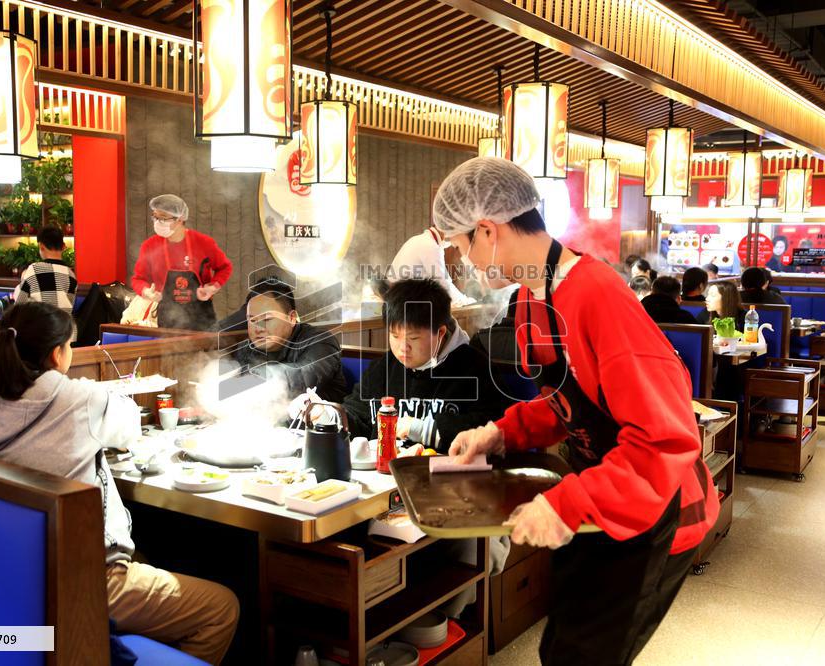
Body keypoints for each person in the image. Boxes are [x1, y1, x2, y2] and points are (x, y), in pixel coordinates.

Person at [431, 157, 717, 666]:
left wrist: (567, 503)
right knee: (560, 646)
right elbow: (564, 400)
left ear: (487, 231)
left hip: (650, 503)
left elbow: (665, 439)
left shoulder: (598, 294)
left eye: (459, 245)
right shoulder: (526, 298)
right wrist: (499, 432)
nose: (464, 261)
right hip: (596, 491)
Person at [0, 302, 239, 664]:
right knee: (221, 607)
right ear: (57, 354)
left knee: (152, 554)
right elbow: (128, 429)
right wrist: (87, 390)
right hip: (84, 576)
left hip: (27, 568)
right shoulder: (77, 399)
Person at [305, 278, 512, 452]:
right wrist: (330, 415)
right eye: (395, 336)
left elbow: (492, 429)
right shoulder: (382, 369)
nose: (403, 348)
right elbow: (359, 417)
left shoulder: (475, 369)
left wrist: (421, 429)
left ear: (440, 333)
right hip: (385, 478)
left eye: (413, 338)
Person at [232, 277, 347, 402]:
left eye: (267, 319)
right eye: (252, 320)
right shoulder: (246, 348)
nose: (258, 328)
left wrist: (252, 379)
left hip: (317, 419)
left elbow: (304, 375)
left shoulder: (321, 340)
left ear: (291, 318)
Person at [132, 194, 233, 331]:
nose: (157, 222)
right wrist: (146, 292)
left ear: (179, 219)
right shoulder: (150, 246)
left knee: (205, 353)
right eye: (155, 217)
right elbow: (138, 279)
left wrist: (212, 287)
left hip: (201, 316)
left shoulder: (204, 243)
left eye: (162, 218)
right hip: (167, 317)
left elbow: (225, 268)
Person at [0, 227, 77, 316]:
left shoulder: (35, 269)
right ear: (64, 246)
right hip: (66, 332)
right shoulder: (71, 275)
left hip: (41, 332)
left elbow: (19, 304)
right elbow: (68, 307)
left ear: (41, 246)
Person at [390, 227, 475, 306]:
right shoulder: (430, 246)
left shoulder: (420, 239)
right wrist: (465, 301)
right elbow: (443, 285)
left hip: (397, 297)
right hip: (401, 303)